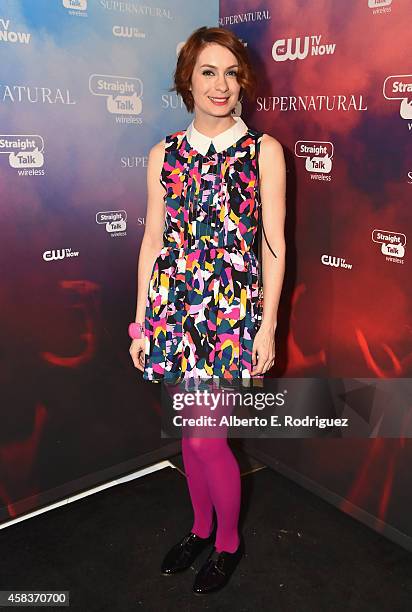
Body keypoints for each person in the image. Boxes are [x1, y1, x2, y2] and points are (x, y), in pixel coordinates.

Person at [129, 26, 286, 594]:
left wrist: (267, 326)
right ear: (187, 81)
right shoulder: (163, 154)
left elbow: (274, 245)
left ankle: (227, 543)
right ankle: (199, 527)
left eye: (230, 72)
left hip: (231, 316)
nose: (221, 85)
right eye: (207, 72)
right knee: (189, 436)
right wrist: (141, 321)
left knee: (206, 439)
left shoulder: (262, 151)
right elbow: (152, 242)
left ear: (241, 80)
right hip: (172, 311)